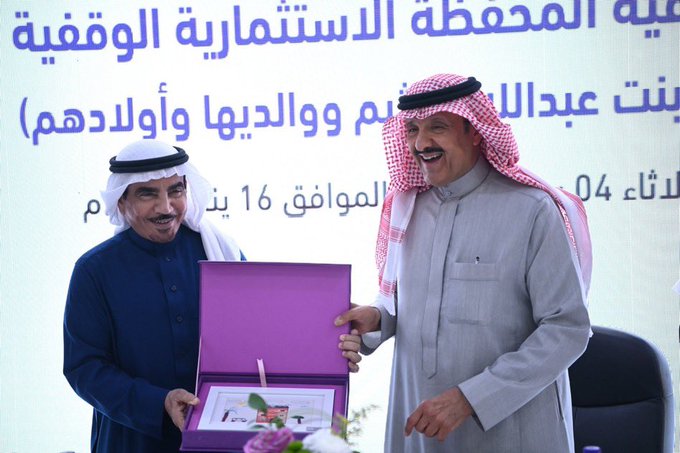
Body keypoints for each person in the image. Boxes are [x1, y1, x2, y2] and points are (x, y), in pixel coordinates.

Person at [336, 74, 593, 453]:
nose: (421, 143)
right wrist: (377, 318)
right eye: (412, 129)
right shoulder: (408, 206)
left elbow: (567, 328)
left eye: (437, 127)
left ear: (474, 131)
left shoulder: (531, 210)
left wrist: (473, 397)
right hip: (418, 426)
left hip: (511, 433)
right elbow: (411, 302)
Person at [63, 139, 244, 452]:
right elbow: (85, 368)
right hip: (132, 438)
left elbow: (257, 334)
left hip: (220, 433)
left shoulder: (220, 253)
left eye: (176, 190)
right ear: (122, 202)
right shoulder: (94, 270)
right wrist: (159, 402)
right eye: (148, 194)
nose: (166, 207)